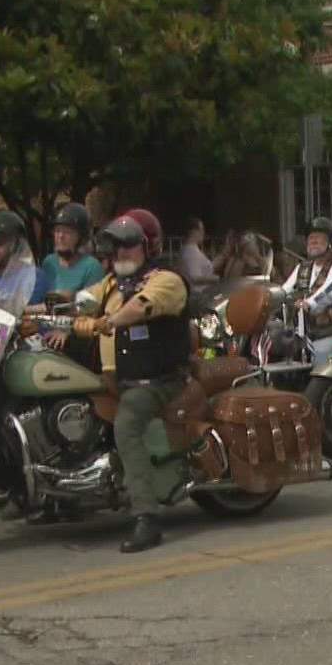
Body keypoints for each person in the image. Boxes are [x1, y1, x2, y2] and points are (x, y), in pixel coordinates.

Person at [89, 214, 193, 554]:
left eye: (128, 244)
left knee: (128, 423)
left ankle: (146, 517)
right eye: (115, 245)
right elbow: (80, 299)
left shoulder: (166, 280)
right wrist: (32, 312)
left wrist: (108, 321)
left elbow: (141, 307)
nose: (120, 252)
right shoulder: (110, 284)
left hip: (159, 379)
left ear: (149, 245)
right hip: (119, 378)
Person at [279, 217, 332, 361]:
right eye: (310, 238)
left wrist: (310, 303)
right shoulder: (303, 267)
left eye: (318, 238)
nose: (312, 241)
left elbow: (330, 289)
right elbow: (285, 290)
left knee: (321, 359)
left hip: (329, 332)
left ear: (330, 243)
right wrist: (270, 298)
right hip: (302, 332)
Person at [37, 202, 105, 302]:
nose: (60, 236)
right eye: (57, 231)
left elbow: (90, 306)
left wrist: (71, 297)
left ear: (81, 237)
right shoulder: (49, 262)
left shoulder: (92, 267)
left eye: (67, 232)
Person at [178, 217, 217, 284]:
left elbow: (207, 266)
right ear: (193, 231)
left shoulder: (187, 249)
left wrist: (225, 253)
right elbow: (194, 278)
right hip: (199, 293)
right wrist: (217, 279)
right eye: (202, 229)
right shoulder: (191, 252)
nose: (203, 233)